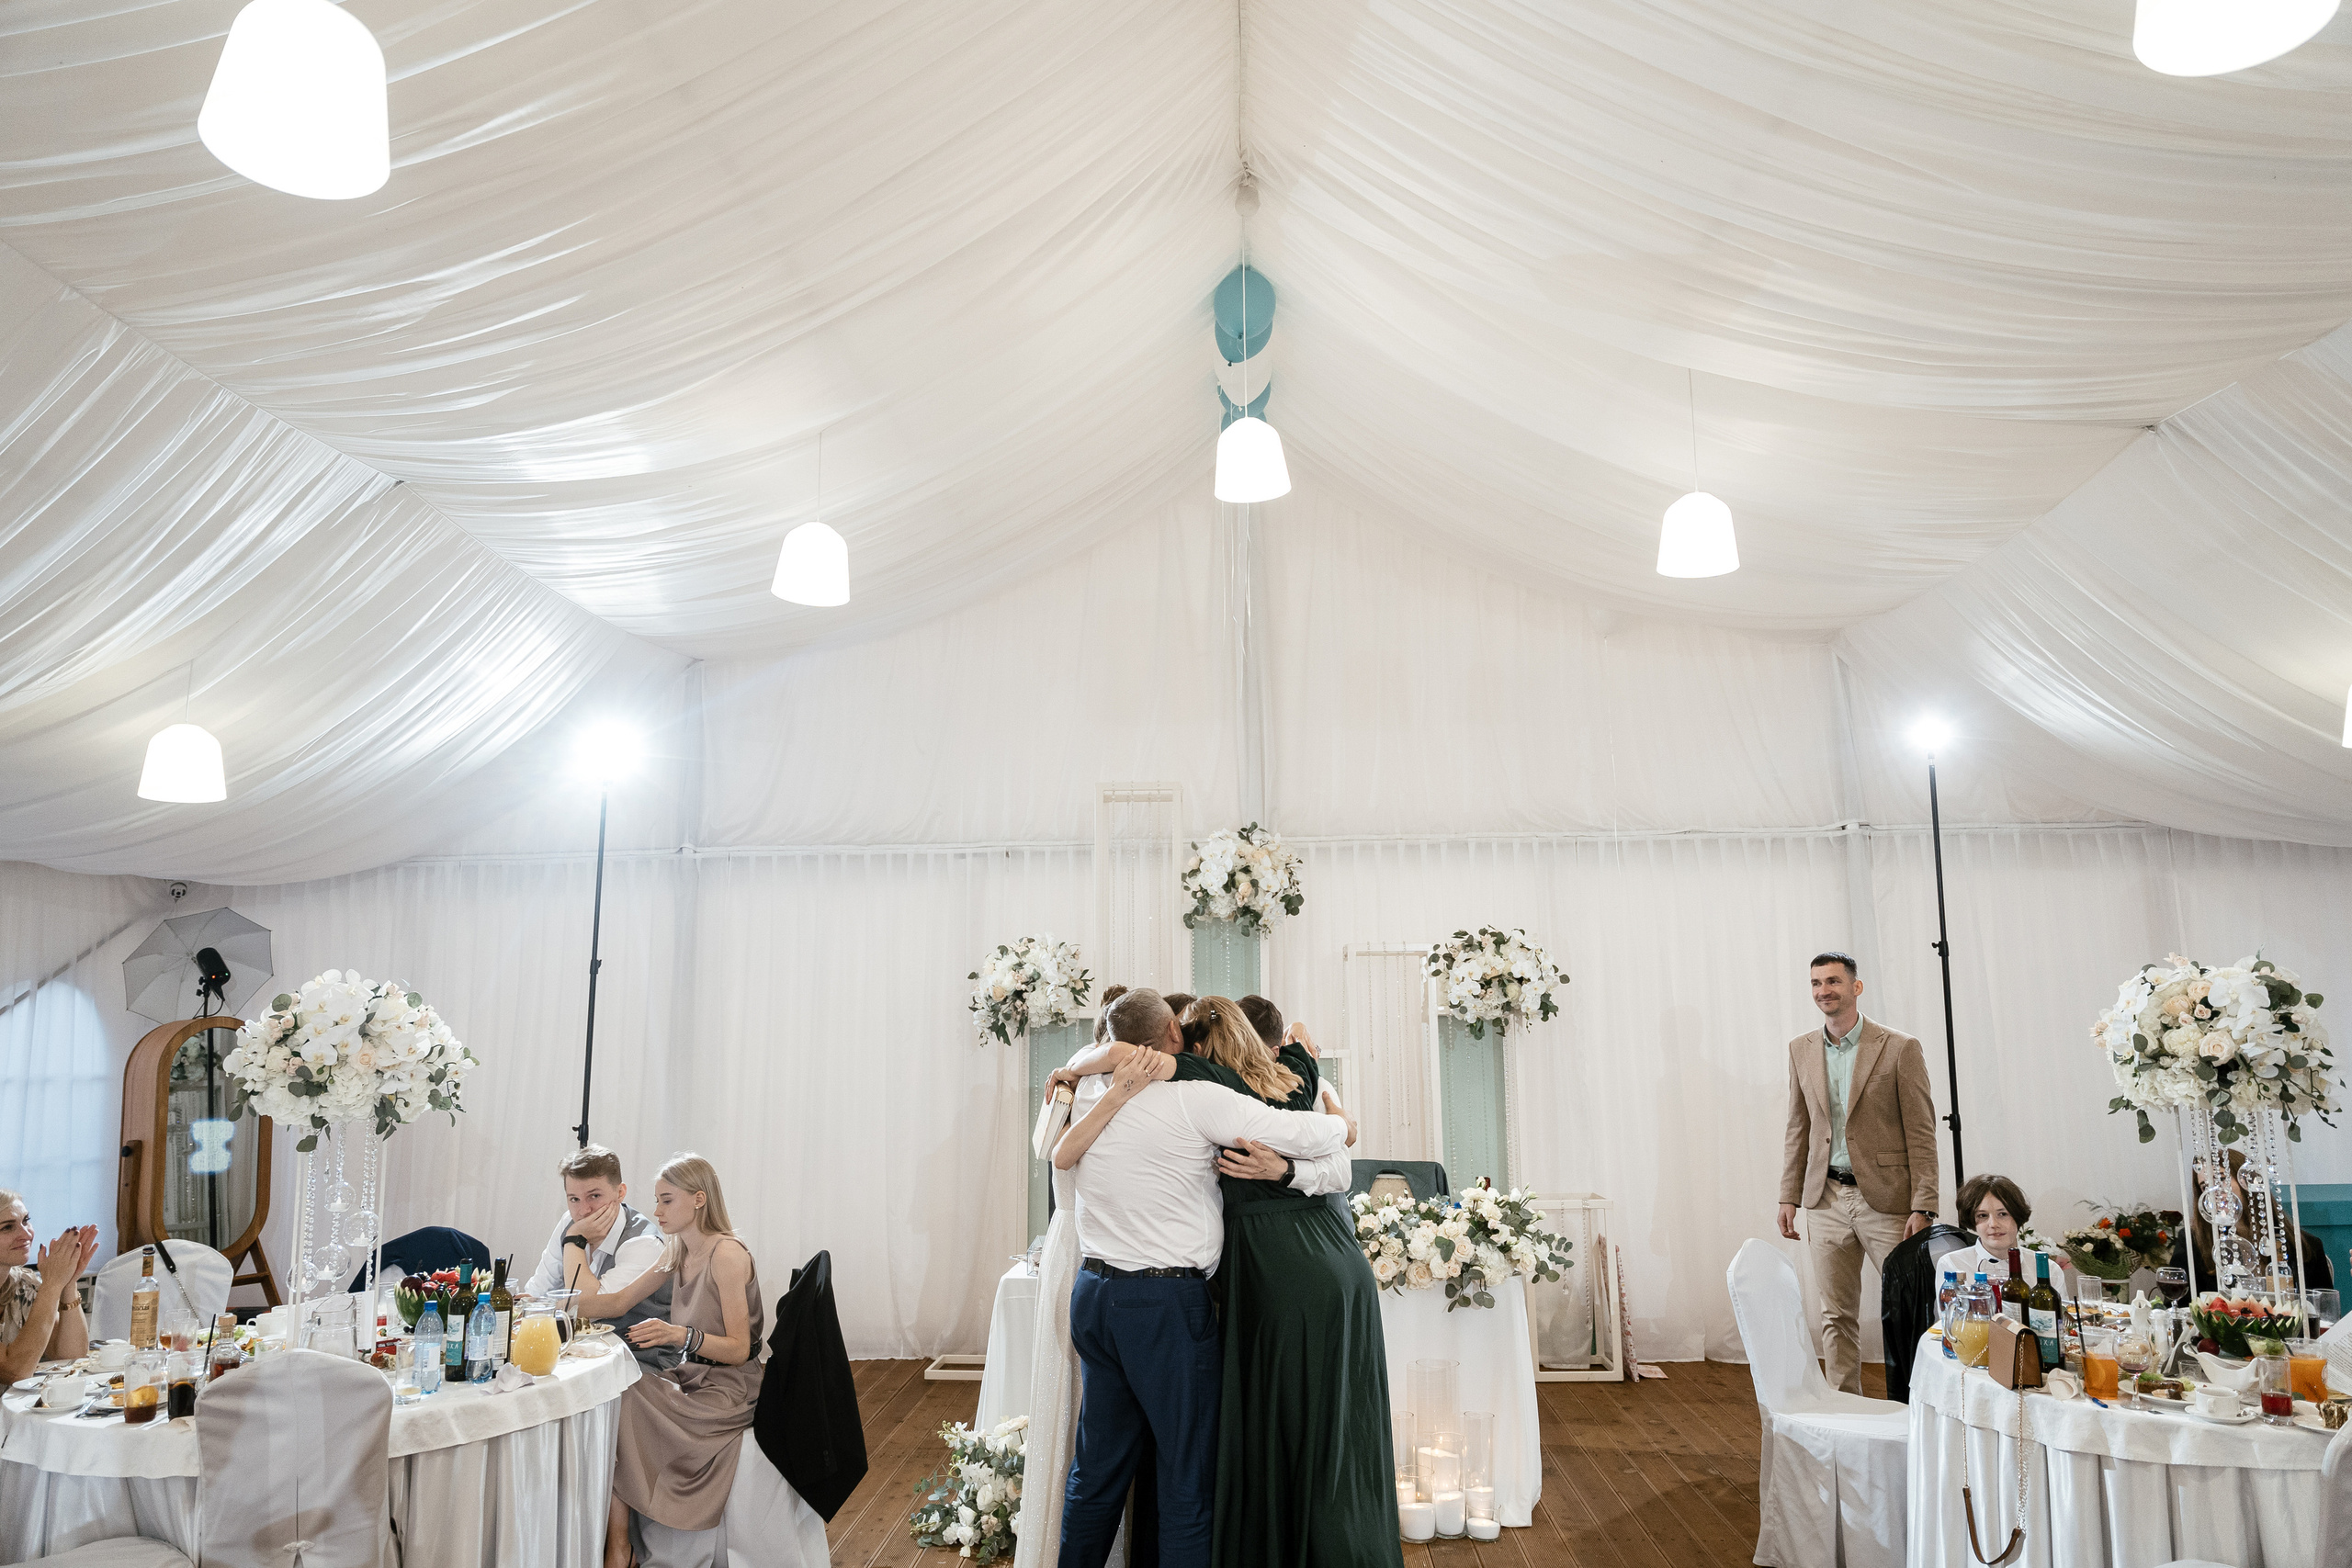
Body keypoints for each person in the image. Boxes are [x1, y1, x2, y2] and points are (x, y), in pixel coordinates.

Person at [1048, 989, 1352, 1568]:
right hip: (1162, 1304)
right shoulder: (1199, 1099)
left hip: (1093, 1295)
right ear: (1170, 1035)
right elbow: (1305, 1133)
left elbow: (1087, 1072)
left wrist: (1080, 1065)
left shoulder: (1088, 1090)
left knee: (1097, 1470)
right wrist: (1341, 1121)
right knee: (1188, 1475)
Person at [1777, 951, 1940, 1395]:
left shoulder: (1899, 1047)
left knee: (1906, 1311)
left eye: (1832, 981)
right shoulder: (1801, 1049)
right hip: (1825, 1198)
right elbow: (1799, 1126)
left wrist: (1923, 1204)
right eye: (1815, 983)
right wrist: (1788, 1194)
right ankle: (1843, 1409)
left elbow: (1922, 1131)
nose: (1823, 991)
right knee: (1835, 1314)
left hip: (1887, 1201)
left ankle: (1912, 1406)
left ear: (1855, 987)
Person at [595, 1155, 763, 1568]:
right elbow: (618, 1301)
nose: (656, 1212)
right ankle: (620, 1545)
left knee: (623, 1400)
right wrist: (547, 1306)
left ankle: (619, 1550)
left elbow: (741, 1348)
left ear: (699, 1199)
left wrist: (679, 1335)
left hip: (730, 1387)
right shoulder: (678, 1250)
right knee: (613, 1394)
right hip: (694, 1375)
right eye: (656, 1201)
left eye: (666, 1201)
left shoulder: (725, 1255)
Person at [525, 1144, 673, 1367]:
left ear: (620, 1192)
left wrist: (575, 1239)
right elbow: (536, 1291)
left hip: (637, 1361)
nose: (584, 1211)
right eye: (574, 1199)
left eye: (594, 1196)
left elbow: (588, 1308)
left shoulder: (643, 1243)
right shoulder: (569, 1221)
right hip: (579, 1353)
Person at [2188, 1148, 2334, 1292]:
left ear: (2247, 1181)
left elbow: (2323, 1309)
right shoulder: (2192, 1243)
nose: (2213, 1192)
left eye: (2221, 1179)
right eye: (2205, 1186)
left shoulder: (2306, 1246)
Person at [0, 1191, 96, 1385]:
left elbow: (70, 1355)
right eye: (8, 1227)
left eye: (26, 1221)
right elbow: (15, 1372)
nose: (26, 1234)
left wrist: (68, 1282)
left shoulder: (24, 1285)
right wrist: (52, 1285)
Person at [1950, 1173, 2032, 1278]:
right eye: (1983, 1215)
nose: (1993, 1224)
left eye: (2003, 1214)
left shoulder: (2048, 1269)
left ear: (2017, 1215)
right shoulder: (1952, 1265)